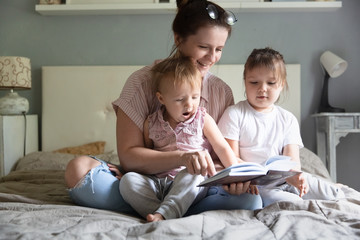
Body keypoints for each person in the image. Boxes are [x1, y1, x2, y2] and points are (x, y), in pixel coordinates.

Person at [64, 0, 262, 215]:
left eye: (219, 49)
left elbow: (224, 155)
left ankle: (157, 209)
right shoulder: (140, 83)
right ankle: (171, 208)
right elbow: (130, 158)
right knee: (78, 170)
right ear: (178, 39)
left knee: (250, 200)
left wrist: (238, 178)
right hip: (151, 181)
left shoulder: (221, 92)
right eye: (203, 47)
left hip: (196, 183)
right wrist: (182, 157)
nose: (212, 58)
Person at [120, 56, 253, 222]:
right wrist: (128, 172)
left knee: (196, 174)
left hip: (190, 182)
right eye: (180, 99)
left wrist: (237, 175)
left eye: (195, 97)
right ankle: (164, 213)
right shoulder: (151, 123)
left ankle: (164, 214)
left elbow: (222, 148)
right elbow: (147, 156)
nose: (189, 105)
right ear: (161, 99)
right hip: (158, 184)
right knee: (127, 181)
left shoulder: (203, 119)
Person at [217, 47, 345, 207]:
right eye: (254, 82)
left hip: (285, 179)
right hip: (257, 186)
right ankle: (299, 201)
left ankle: (338, 189)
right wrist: (247, 178)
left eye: (271, 83)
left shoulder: (287, 119)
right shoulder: (234, 114)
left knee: (332, 192)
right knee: (294, 203)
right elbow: (230, 158)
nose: (262, 88)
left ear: (282, 85)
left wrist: (295, 177)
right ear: (245, 82)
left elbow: (293, 160)